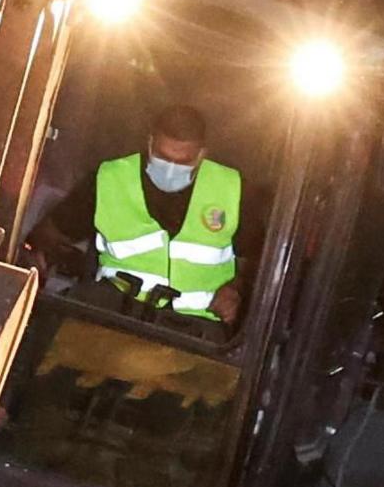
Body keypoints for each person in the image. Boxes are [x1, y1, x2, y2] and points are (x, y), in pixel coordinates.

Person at [27, 103, 258, 325]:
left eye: (183, 161)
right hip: (112, 317)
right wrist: (37, 264)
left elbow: (258, 260)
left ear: (200, 155)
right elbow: (48, 236)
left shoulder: (230, 189)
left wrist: (234, 289)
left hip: (197, 333)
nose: (170, 168)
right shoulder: (110, 179)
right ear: (150, 144)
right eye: (163, 157)